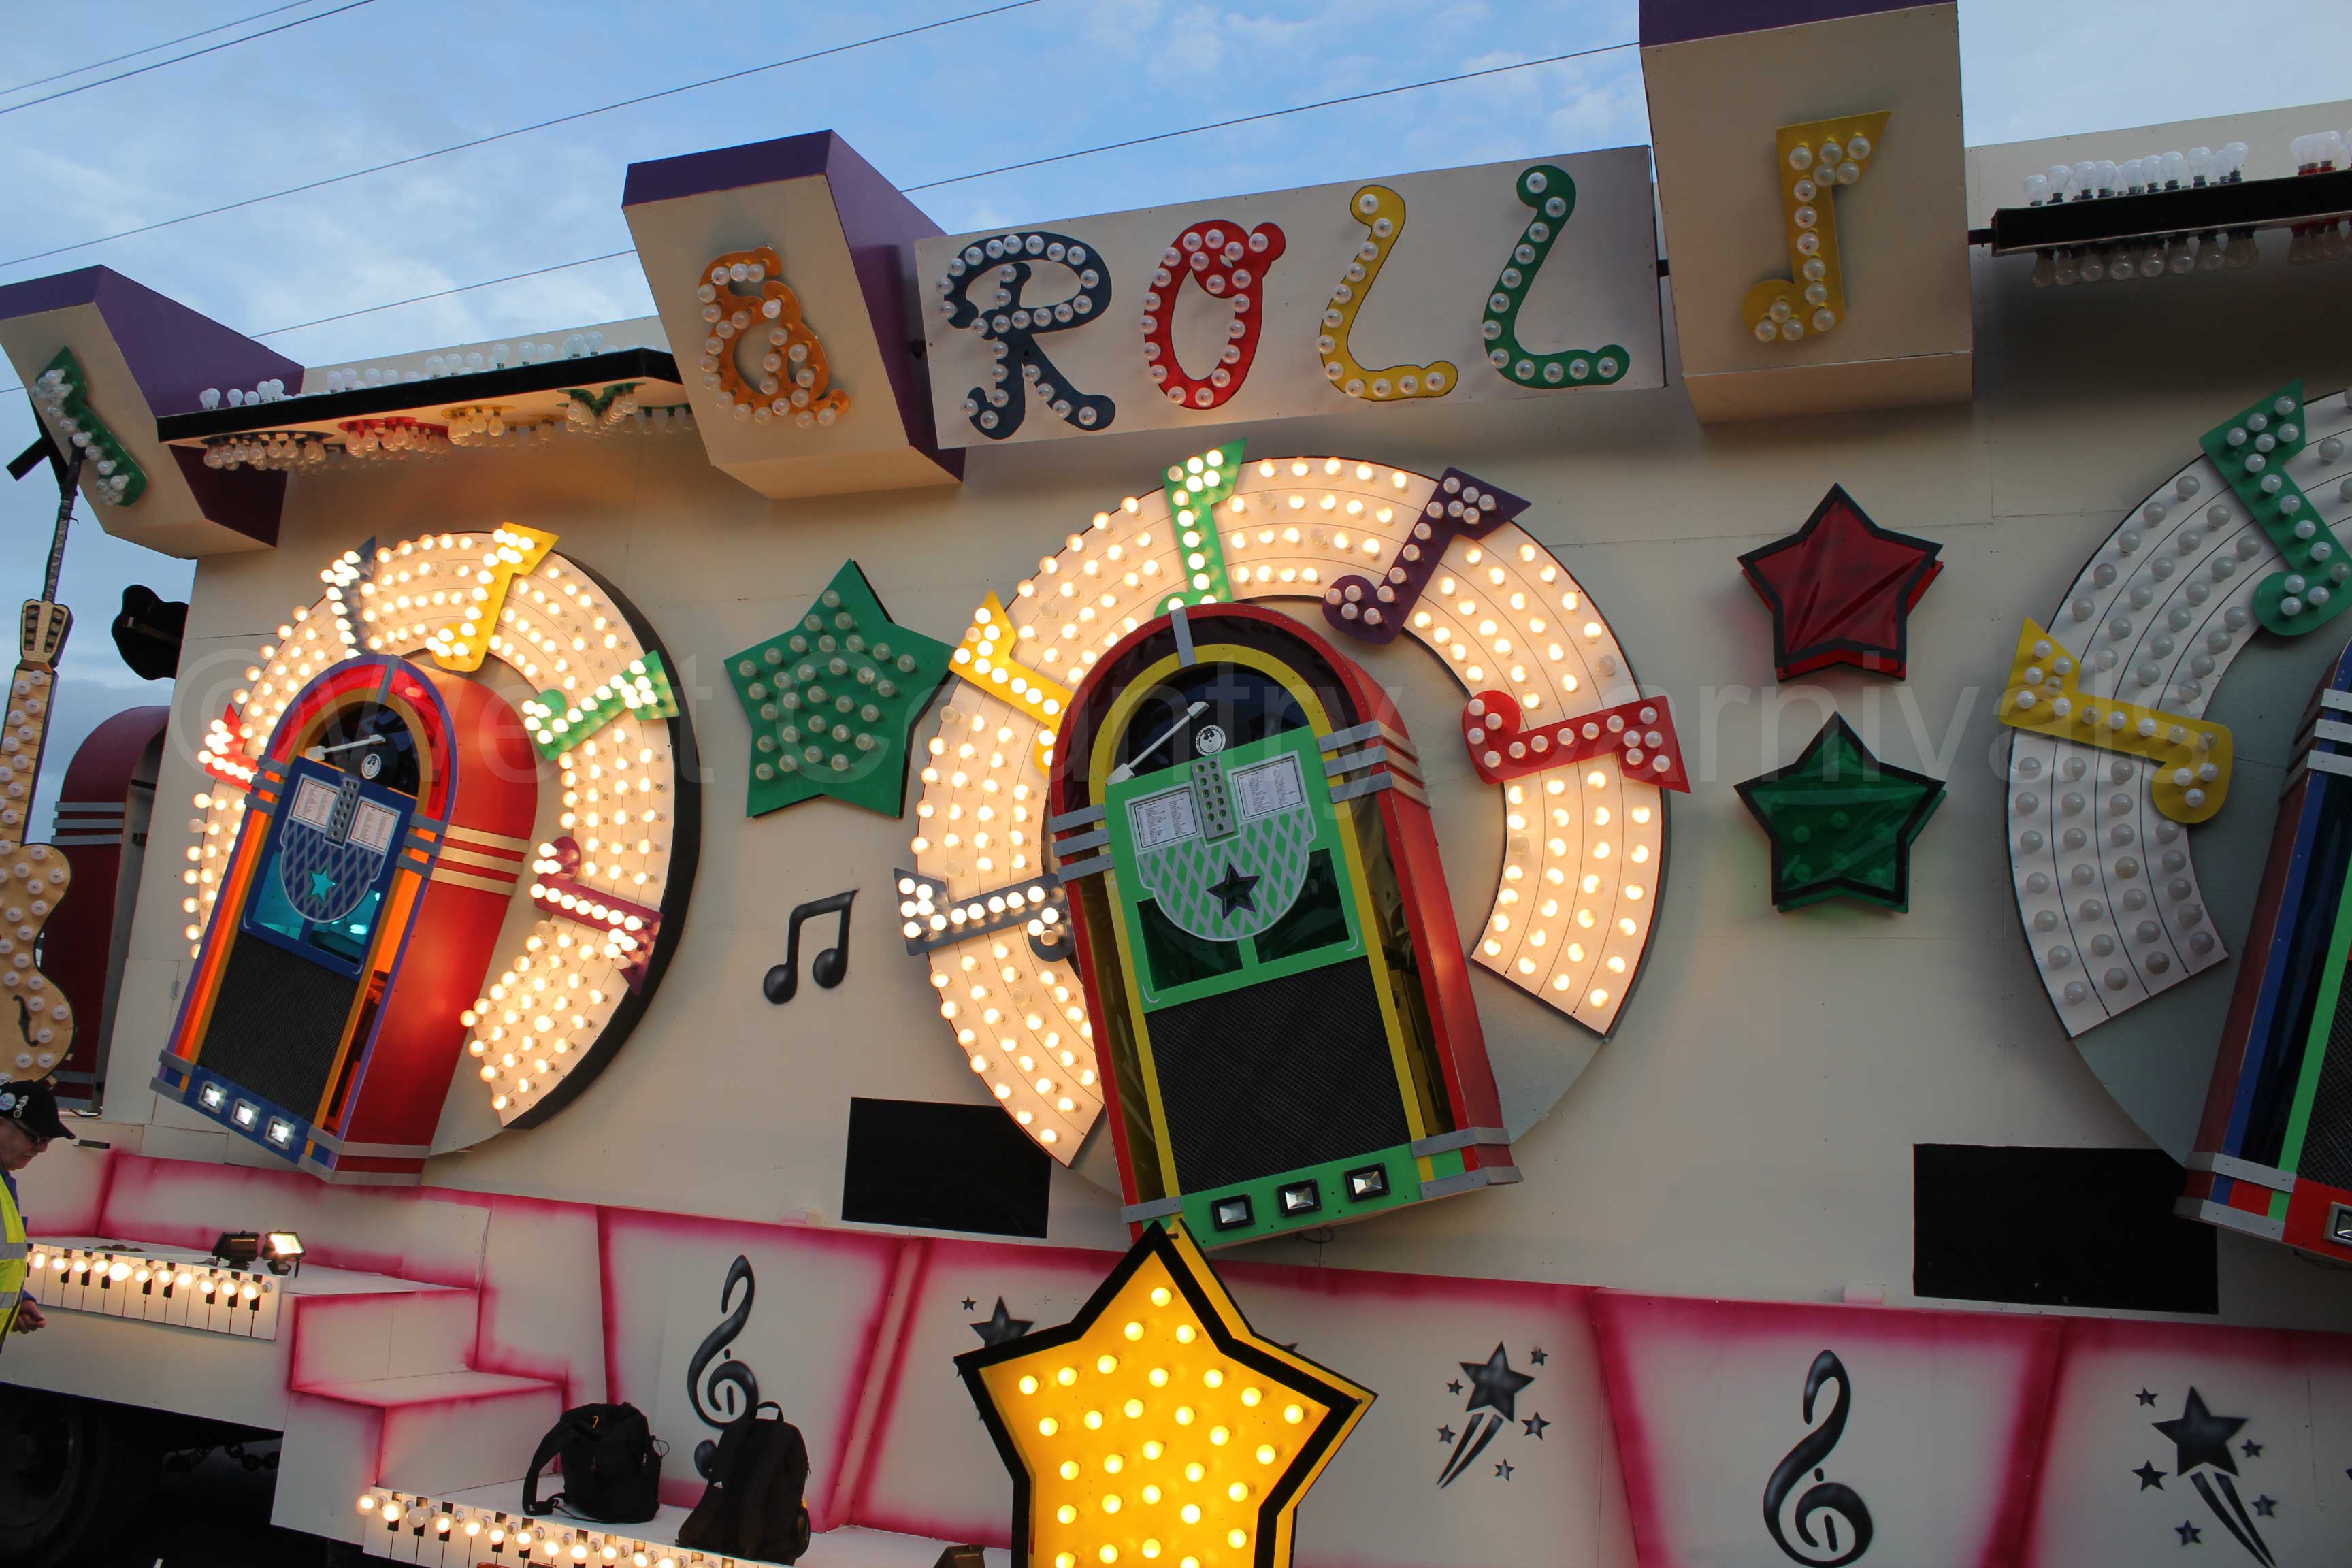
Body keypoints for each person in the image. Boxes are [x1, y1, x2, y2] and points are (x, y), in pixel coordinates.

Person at [1, 1078, 74, 1339]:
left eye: (48, 1140)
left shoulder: (4, 1183)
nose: (42, 1148)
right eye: (35, 1137)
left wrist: (16, 1300)